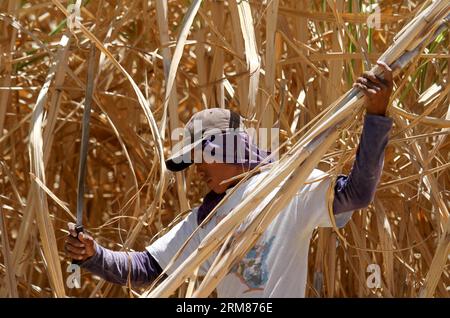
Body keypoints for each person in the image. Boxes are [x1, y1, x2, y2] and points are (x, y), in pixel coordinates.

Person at [64, 61, 394, 297]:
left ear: (230, 147)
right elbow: (145, 269)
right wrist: (92, 255)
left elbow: (358, 192)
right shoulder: (204, 221)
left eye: (203, 155)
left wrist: (376, 116)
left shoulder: (286, 187)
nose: (198, 168)